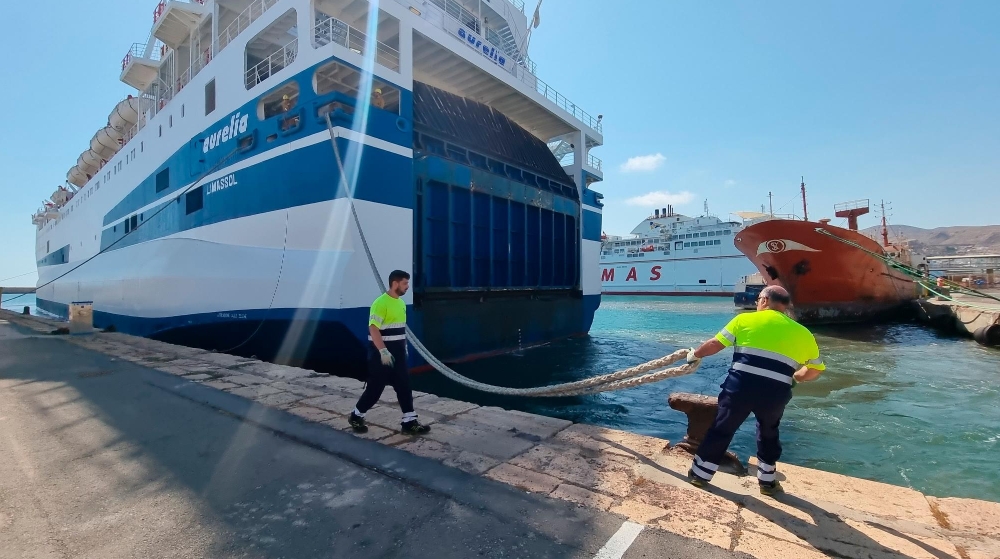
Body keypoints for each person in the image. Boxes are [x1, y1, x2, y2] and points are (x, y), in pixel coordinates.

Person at [684, 285, 825, 496]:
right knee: (768, 432)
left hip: (740, 388)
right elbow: (815, 370)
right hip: (775, 394)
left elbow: (716, 344)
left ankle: (700, 476)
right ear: (785, 307)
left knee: (722, 429)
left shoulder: (745, 320)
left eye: (759, 299)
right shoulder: (803, 333)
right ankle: (767, 483)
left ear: (765, 300)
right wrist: (796, 376)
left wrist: (695, 354)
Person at [349, 270, 431, 435]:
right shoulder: (380, 303)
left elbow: (400, 329)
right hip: (381, 355)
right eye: (405, 283)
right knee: (375, 389)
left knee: (404, 386)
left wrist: (404, 347)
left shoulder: (400, 303)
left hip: (399, 354)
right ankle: (356, 416)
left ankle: (409, 421)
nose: (408, 286)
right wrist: (383, 351)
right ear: (395, 283)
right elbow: (373, 328)